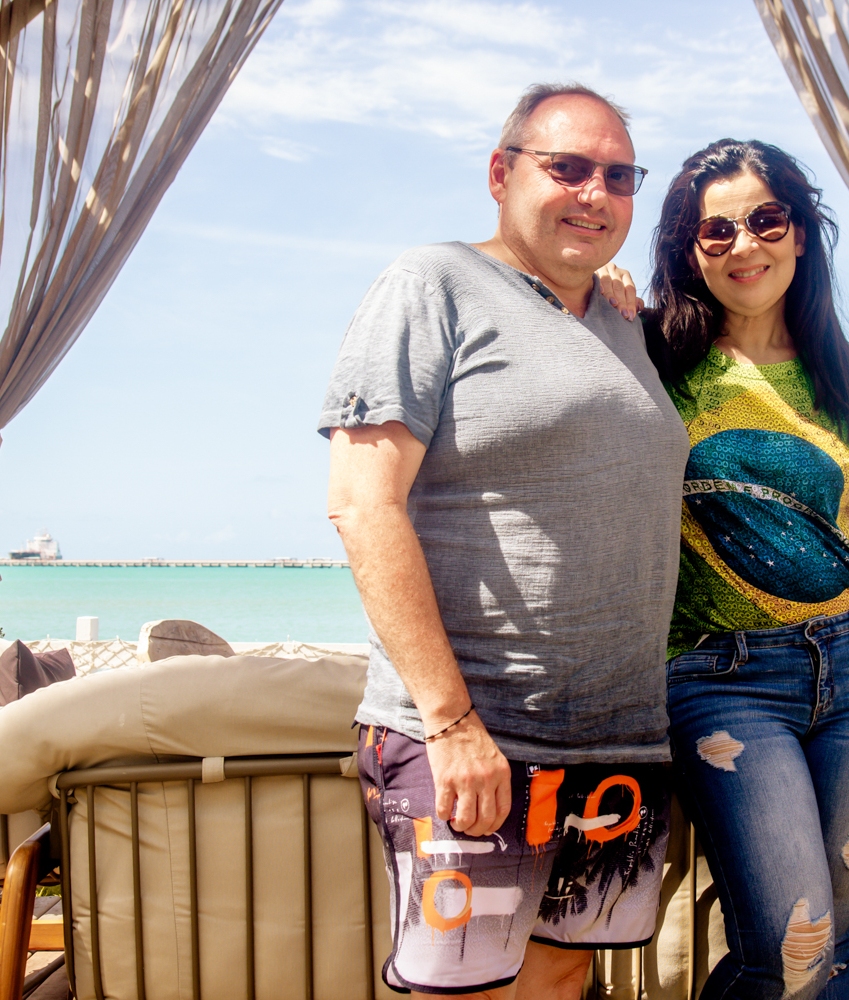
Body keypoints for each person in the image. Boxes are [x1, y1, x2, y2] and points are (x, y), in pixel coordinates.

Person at [317, 83, 689, 999]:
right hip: (476, 738)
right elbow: (363, 504)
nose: (595, 193)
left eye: (619, 176)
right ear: (500, 173)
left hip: (619, 742)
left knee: (562, 981)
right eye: (567, 167)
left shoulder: (623, 322)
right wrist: (450, 723)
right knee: (463, 992)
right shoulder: (431, 283)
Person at [600, 139, 849, 999]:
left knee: (827, 948)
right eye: (717, 230)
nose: (745, 244)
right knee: (791, 946)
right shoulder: (654, 357)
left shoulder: (848, 372)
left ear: (801, 234)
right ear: (690, 251)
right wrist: (600, 301)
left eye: (766, 220)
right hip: (721, 681)